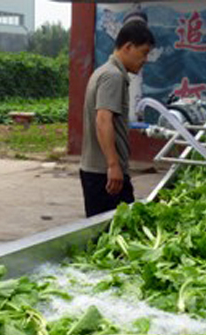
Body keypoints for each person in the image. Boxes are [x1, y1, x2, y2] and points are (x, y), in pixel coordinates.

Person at [80, 21, 155, 217]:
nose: (145, 59)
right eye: (144, 52)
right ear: (128, 47)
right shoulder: (113, 76)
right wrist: (113, 165)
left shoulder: (104, 72)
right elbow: (103, 120)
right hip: (104, 173)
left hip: (100, 171)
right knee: (115, 234)